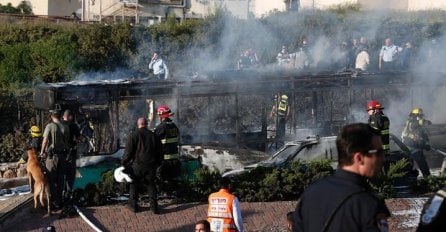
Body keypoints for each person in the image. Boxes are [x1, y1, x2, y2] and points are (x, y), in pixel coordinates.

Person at [294, 123, 390, 232]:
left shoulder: (310, 194)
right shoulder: (368, 205)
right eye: (379, 153)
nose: (383, 159)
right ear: (359, 158)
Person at [121, 117, 163, 213]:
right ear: (147, 124)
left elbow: (128, 152)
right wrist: (158, 163)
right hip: (151, 165)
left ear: (138, 124)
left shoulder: (133, 136)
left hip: (137, 165)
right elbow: (160, 151)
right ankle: (154, 207)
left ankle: (133, 206)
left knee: (134, 185)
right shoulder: (154, 136)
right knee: (151, 185)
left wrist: (123, 162)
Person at [40, 109, 70, 210]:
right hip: (63, 156)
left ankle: (55, 202)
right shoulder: (65, 127)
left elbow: (45, 141)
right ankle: (61, 200)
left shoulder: (50, 126)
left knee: (51, 179)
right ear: (60, 116)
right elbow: (67, 142)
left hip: (52, 157)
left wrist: (42, 152)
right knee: (61, 179)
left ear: (51, 116)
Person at [154, 105, 180, 196]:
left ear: (161, 116)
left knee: (160, 177)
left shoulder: (161, 127)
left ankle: (163, 193)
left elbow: (154, 139)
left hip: (164, 158)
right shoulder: (173, 125)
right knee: (172, 177)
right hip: (174, 157)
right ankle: (175, 193)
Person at [401, 107, 432, 177]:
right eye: (419, 116)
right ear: (415, 116)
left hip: (416, 146)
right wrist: (426, 122)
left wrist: (426, 144)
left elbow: (424, 137)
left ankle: (428, 177)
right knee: (421, 163)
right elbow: (418, 123)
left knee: (423, 163)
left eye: (421, 116)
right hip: (411, 147)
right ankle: (427, 177)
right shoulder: (411, 123)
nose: (421, 117)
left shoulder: (419, 127)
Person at [62, 109, 81, 196]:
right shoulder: (73, 126)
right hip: (70, 153)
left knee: (61, 174)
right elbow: (79, 138)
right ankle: (68, 193)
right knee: (70, 174)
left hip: (60, 154)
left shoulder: (58, 125)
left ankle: (61, 192)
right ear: (70, 117)